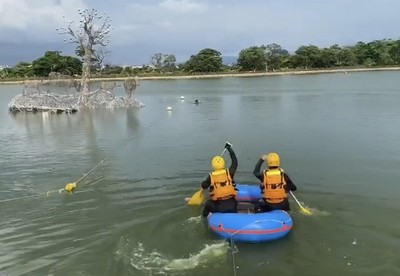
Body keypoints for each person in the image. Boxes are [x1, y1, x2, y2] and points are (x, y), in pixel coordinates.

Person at [201, 142, 238, 217]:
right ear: (223, 164)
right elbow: (235, 161)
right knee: (232, 203)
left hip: (219, 207)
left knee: (207, 204)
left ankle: (204, 218)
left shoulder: (211, 176)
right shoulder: (229, 173)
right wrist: (229, 149)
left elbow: (204, 185)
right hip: (232, 204)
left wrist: (204, 184)